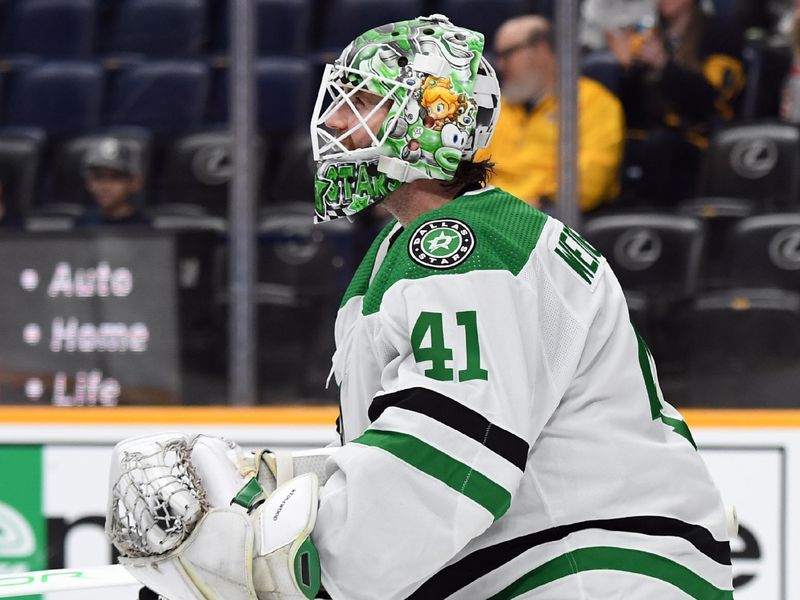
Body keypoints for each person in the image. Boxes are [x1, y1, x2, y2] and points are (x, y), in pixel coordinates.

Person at [104, 15, 734, 600]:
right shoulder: (424, 247)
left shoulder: (467, 248)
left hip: (593, 571)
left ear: (432, 118)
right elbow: (422, 440)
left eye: (365, 104)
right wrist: (281, 482)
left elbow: (447, 460)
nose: (337, 124)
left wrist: (282, 565)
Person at [474, 15, 624, 213]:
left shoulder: (593, 102)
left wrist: (540, 204)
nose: (500, 65)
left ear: (541, 51)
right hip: (487, 213)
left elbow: (591, 178)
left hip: (546, 218)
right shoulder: (498, 106)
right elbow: (472, 165)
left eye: (507, 54)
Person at [606, 0, 746, 203]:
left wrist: (664, 66)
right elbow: (629, 113)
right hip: (649, 140)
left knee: (660, 146)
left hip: (699, 141)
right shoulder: (647, 35)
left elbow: (712, 102)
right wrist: (626, 70)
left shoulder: (720, 32)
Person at [76, 137, 150, 226]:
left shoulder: (144, 228)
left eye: (115, 177)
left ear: (135, 183)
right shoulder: (82, 224)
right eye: (98, 177)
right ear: (88, 182)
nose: (105, 186)